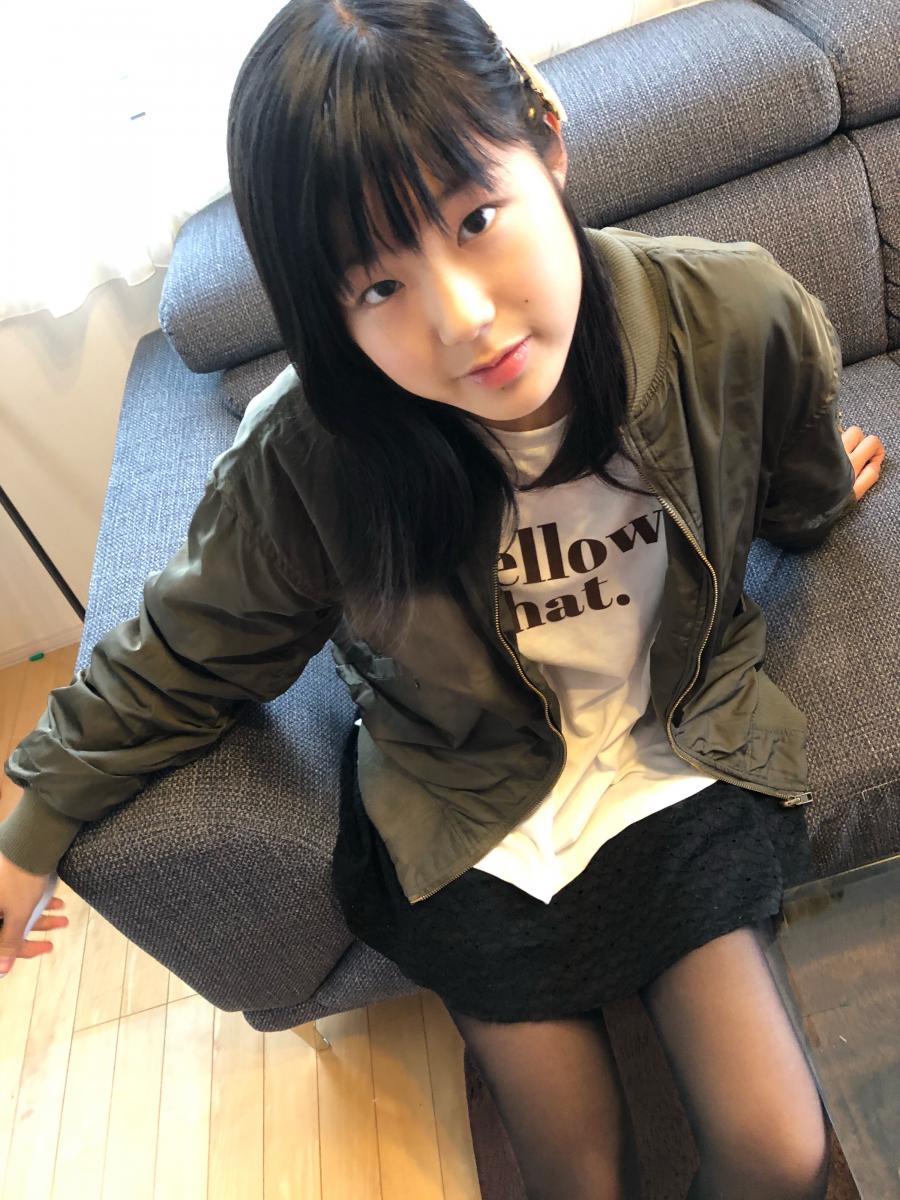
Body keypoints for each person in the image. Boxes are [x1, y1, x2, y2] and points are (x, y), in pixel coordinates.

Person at [0, 1, 886, 1197]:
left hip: (676, 746)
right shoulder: (311, 455)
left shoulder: (730, 314)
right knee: (575, 1167)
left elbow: (794, 473)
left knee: (778, 1148)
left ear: (546, 139)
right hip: (466, 801)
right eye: (378, 285)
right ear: (326, 311)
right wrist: (28, 834)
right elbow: (180, 653)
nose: (462, 317)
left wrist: (818, 500)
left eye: (475, 219)